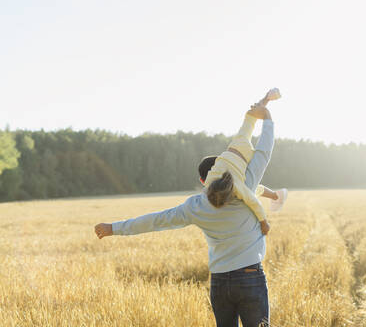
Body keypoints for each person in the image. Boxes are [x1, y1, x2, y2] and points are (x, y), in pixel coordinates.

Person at [94, 105, 276, 327]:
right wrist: (267, 119)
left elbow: (157, 220)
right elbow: (264, 152)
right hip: (250, 276)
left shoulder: (196, 206)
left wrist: (114, 228)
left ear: (203, 182)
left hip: (219, 282)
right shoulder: (247, 183)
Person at [202, 88, 287, 235]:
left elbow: (253, 202)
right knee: (250, 118)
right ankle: (267, 97)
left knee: (252, 187)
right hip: (235, 147)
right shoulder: (211, 181)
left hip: (246, 158)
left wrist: (263, 222)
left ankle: (276, 196)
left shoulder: (237, 187)